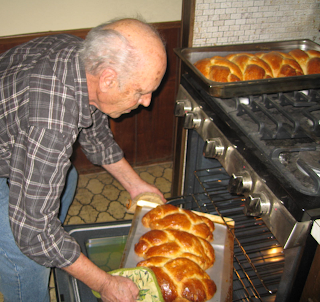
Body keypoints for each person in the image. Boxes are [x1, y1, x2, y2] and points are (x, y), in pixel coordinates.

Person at [0, 18, 167, 302]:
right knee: (24, 247)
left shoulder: (81, 56)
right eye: (141, 91)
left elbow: (95, 133)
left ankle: (56, 249)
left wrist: (136, 185)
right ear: (108, 79)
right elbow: (31, 232)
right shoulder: (51, 122)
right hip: (20, 135)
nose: (148, 101)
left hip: (13, 128)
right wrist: (104, 283)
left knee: (67, 178)